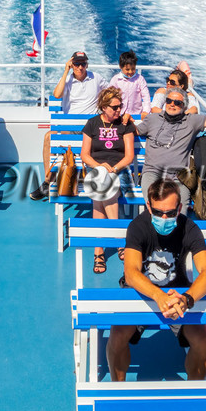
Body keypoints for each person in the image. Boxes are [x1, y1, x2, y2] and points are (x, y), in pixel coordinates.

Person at [106, 180, 206, 411]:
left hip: (179, 295)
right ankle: (119, 396)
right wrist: (158, 296)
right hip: (143, 293)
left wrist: (188, 298)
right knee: (117, 334)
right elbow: (131, 272)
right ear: (148, 207)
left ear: (180, 208)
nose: (165, 219)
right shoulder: (139, 226)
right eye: (159, 212)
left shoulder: (190, 228)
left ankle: (193, 399)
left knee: (202, 338)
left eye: (171, 213)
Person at [136, 87, 206, 213]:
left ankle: (178, 231)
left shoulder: (191, 121)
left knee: (180, 209)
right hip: (152, 172)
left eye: (177, 103)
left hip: (179, 176)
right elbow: (134, 131)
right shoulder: (153, 119)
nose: (172, 104)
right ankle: (155, 230)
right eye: (169, 101)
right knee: (155, 205)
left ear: (184, 107)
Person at [31, 51, 105, 200]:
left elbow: (109, 92)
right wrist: (65, 72)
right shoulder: (67, 80)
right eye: (76, 64)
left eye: (83, 63)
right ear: (72, 65)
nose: (80, 67)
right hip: (70, 128)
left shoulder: (96, 78)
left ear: (87, 64)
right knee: (48, 137)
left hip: (90, 130)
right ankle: (47, 182)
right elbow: (57, 95)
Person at [81, 87, 137, 275]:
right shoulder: (92, 124)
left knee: (99, 198)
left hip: (119, 170)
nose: (118, 110)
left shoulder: (125, 125)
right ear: (104, 107)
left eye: (120, 106)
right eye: (114, 107)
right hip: (97, 169)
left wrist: (113, 169)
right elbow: (85, 155)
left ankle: (99, 252)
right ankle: (120, 240)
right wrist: (100, 166)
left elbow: (129, 156)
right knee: (103, 187)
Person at [106, 50, 151, 118]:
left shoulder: (140, 79)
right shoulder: (115, 79)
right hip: (119, 115)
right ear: (121, 67)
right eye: (127, 69)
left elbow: (146, 96)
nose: (130, 72)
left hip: (136, 115)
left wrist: (146, 111)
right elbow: (110, 96)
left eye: (133, 69)